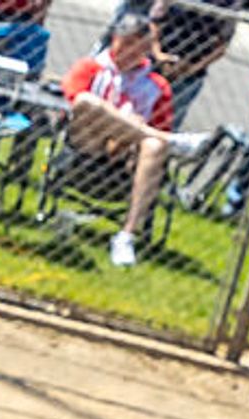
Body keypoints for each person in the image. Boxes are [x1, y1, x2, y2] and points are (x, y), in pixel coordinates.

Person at [59, 11, 180, 267]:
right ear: (115, 39)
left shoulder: (157, 86)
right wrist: (119, 124)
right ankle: (166, 139)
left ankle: (126, 236)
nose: (132, 51)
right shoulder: (90, 67)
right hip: (86, 147)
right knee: (86, 101)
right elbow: (70, 105)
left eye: (140, 46)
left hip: (127, 162)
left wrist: (131, 134)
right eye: (127, 43)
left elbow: (160, 126)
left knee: (155, 144)